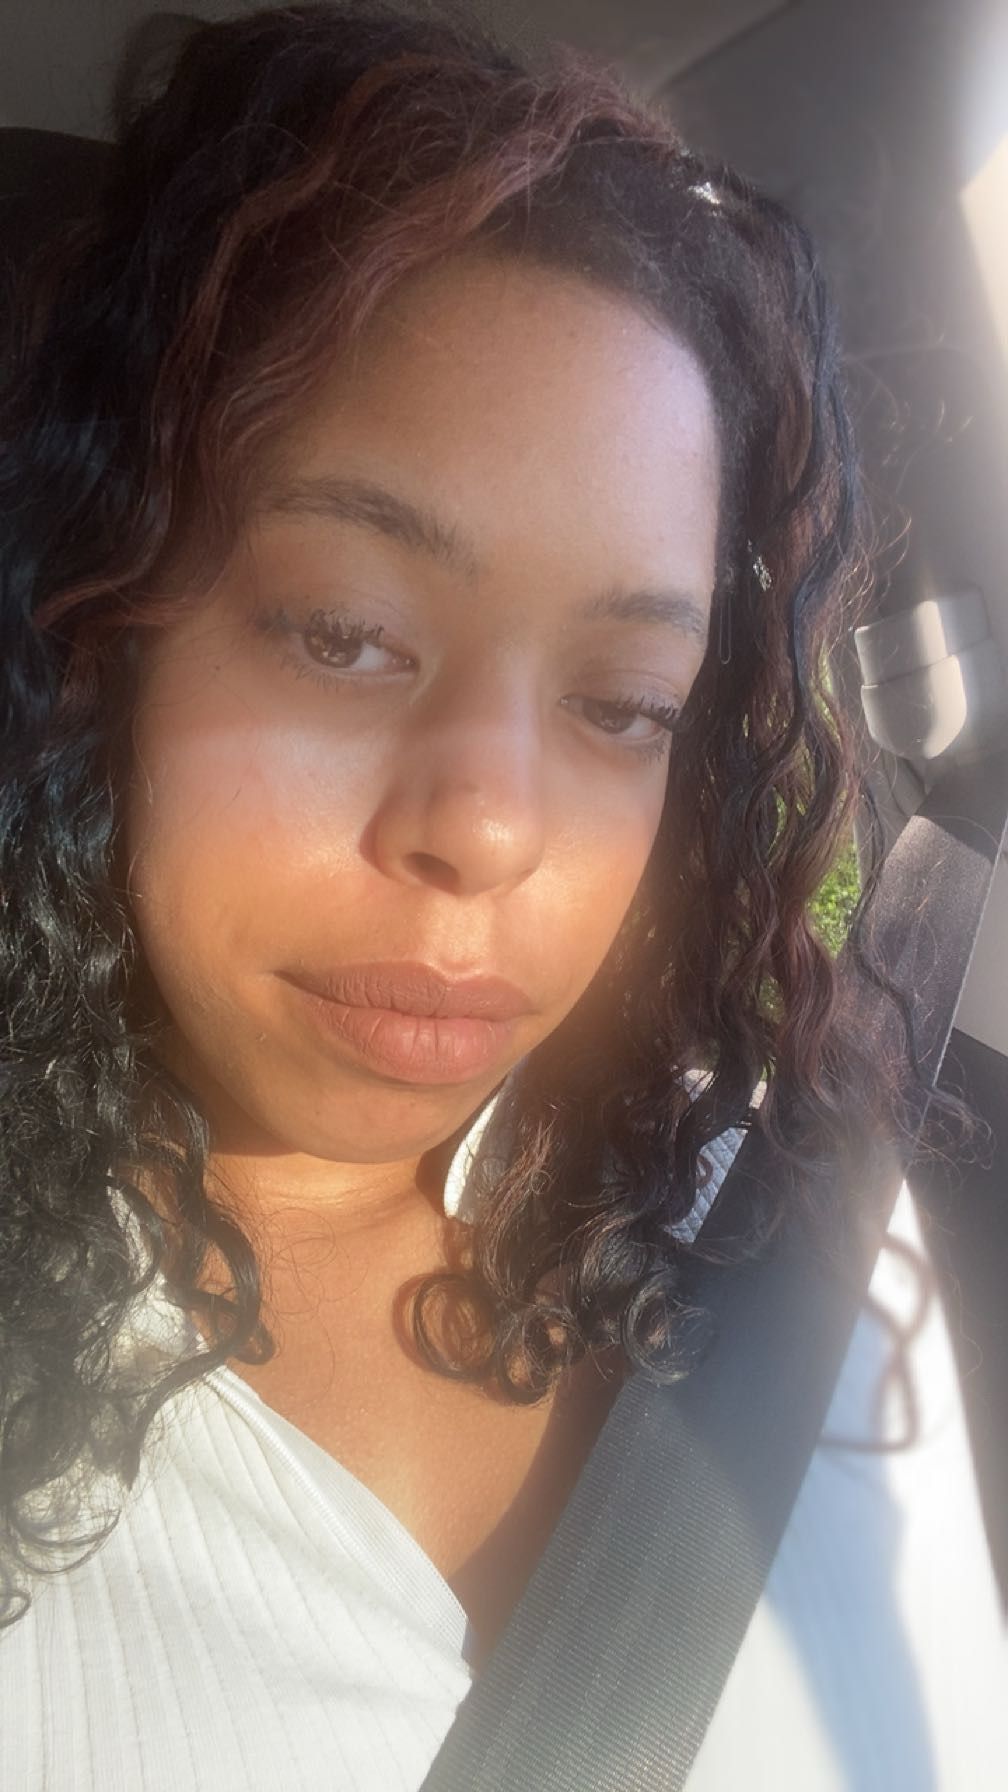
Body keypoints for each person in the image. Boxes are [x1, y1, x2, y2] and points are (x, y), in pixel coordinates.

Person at [0, 4, 1004, 1787]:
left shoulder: (784, 1213)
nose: (489, 829)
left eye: (623, 705)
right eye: (344, 635)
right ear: (101, 642)